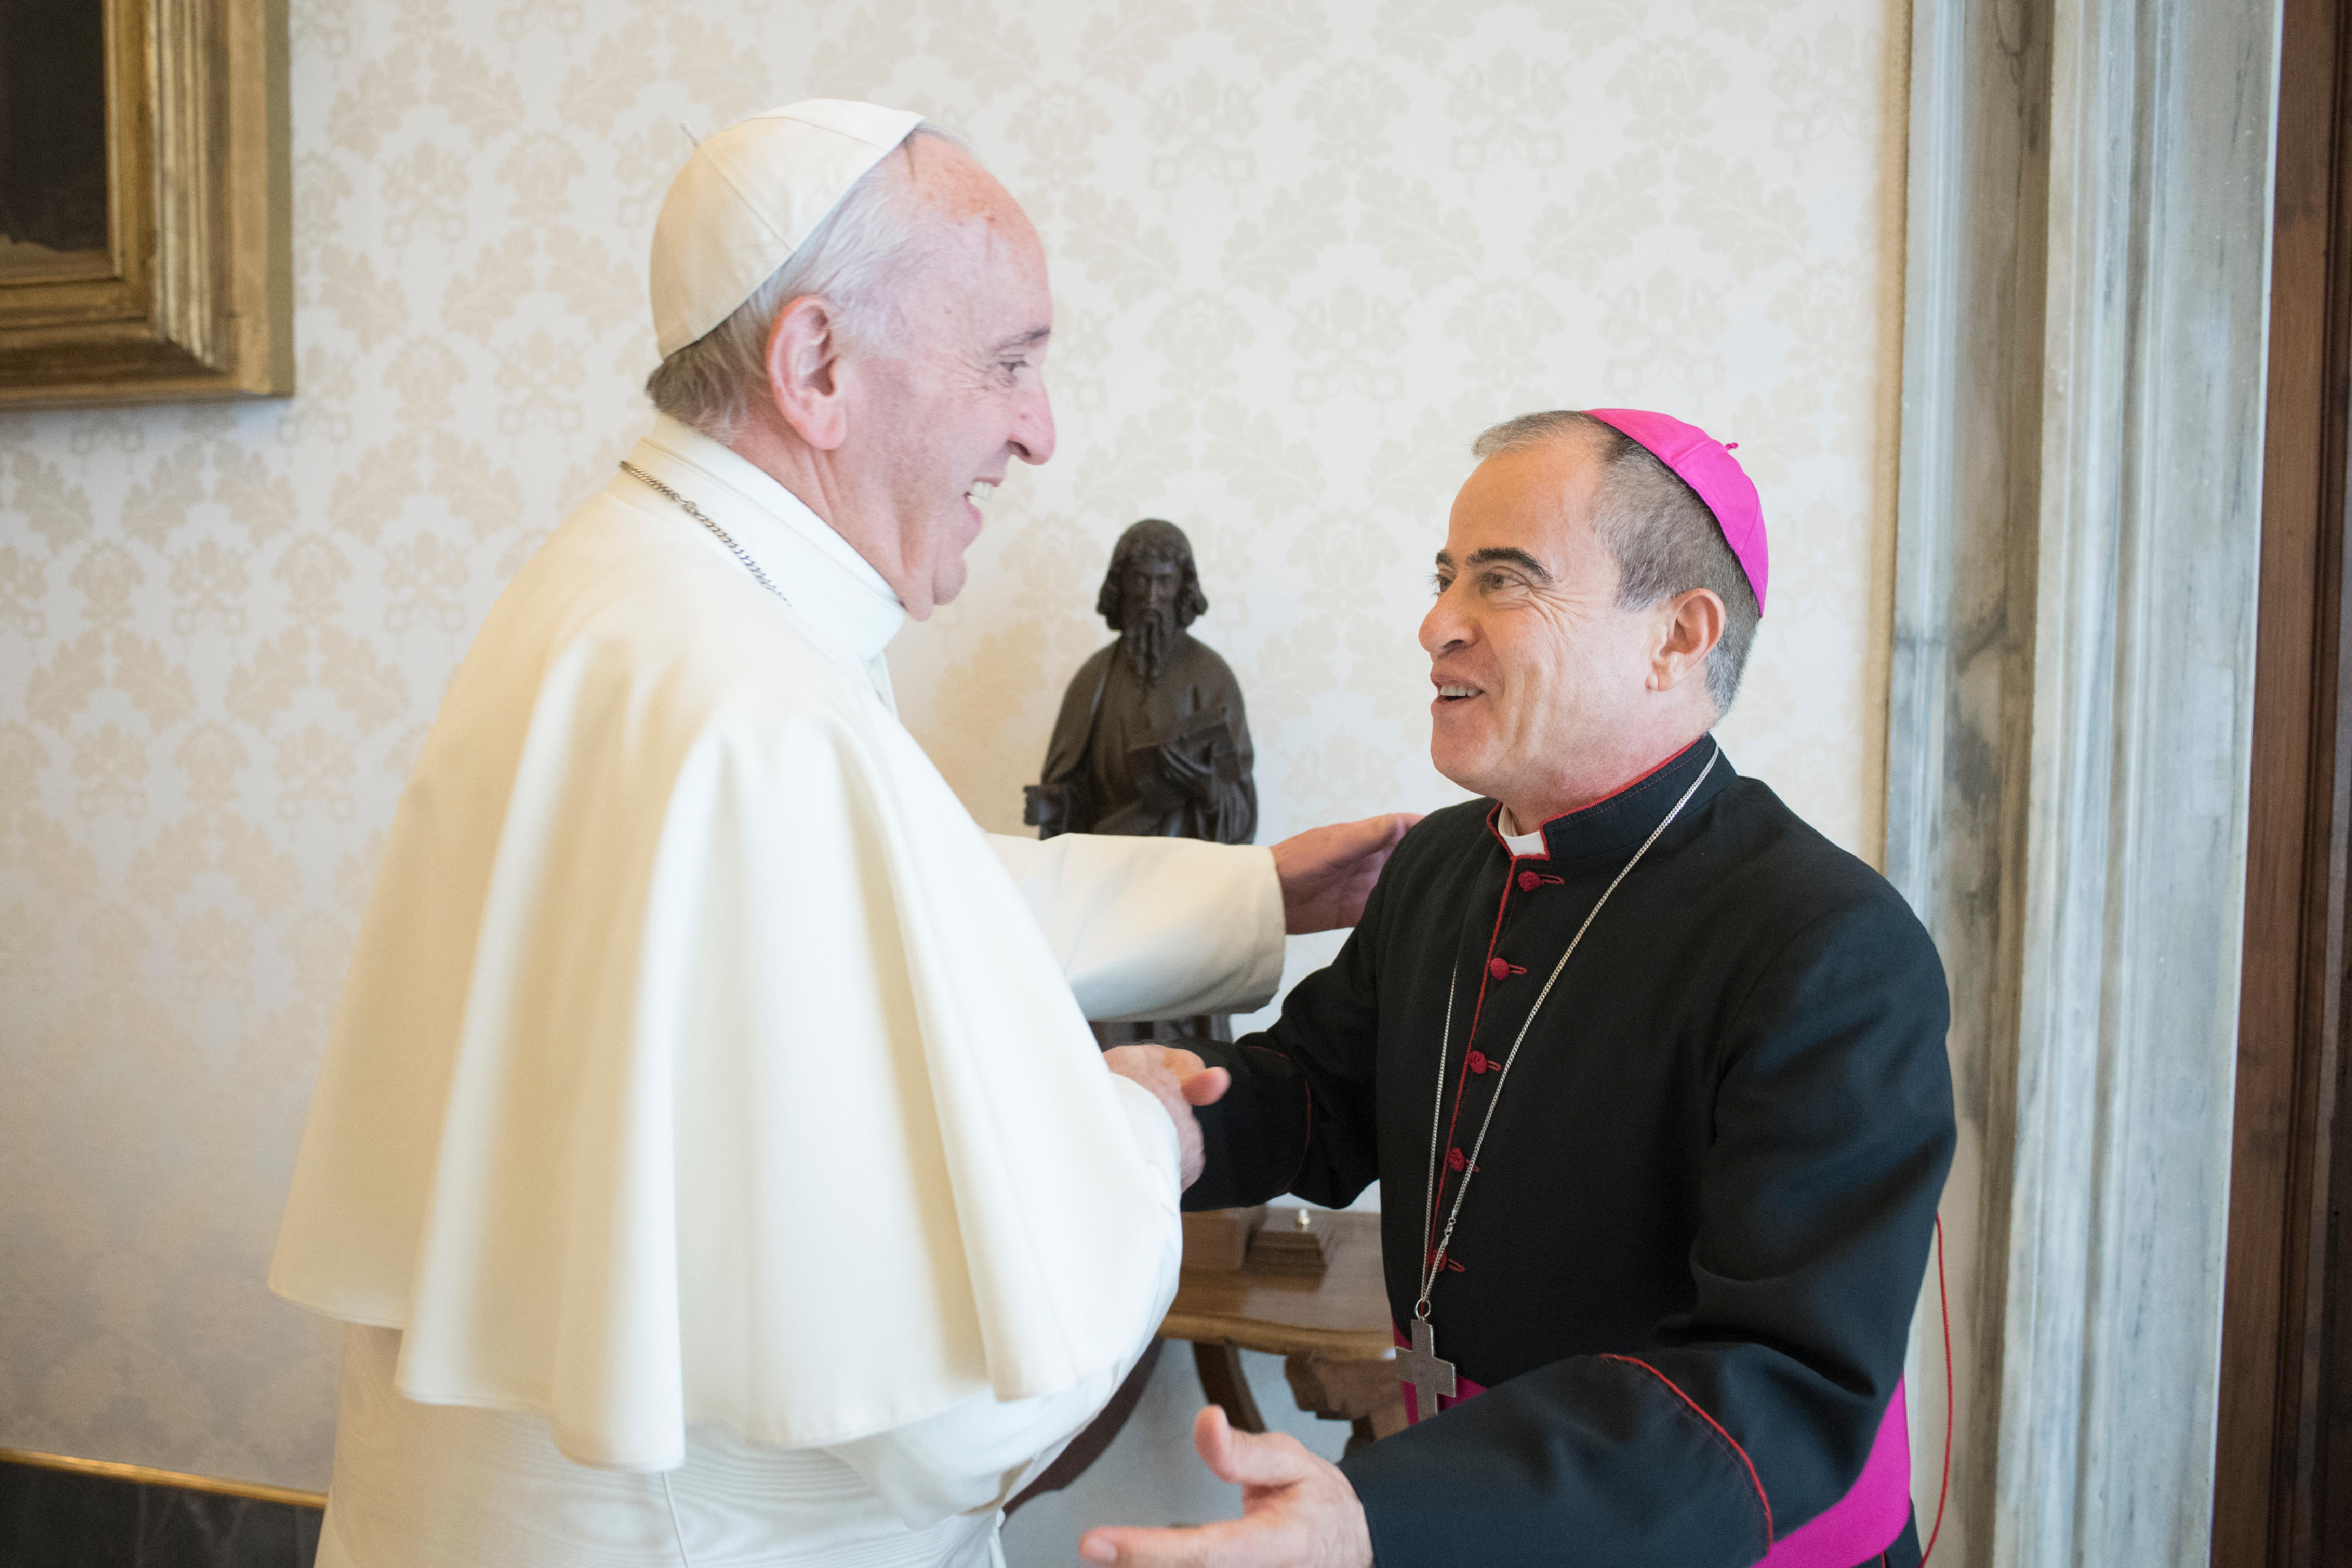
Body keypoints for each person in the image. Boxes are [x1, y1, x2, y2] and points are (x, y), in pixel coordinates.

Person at [268, 100, 1409, 1568]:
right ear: (815, 367)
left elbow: (889, 895)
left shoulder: (650, 592)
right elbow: (965, 1406)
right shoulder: (743, 695)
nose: (1040, 430)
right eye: (1010, 362)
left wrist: (1246, 892)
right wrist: (1141, 1133)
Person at [1091, 409, 1955, 1568]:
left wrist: (1381, 1516)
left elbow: (1780, 1382)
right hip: (1468, 1507)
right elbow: (1325, 1093)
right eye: (1446, 577)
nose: (1436, 624)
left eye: (1501, 580)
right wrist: (1177, 1120)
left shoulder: (1832, 947)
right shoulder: (1447, 862)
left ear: (1678, 636)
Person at [1030, 518, 1258, 1045]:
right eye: (1141, 581)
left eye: (1164, 581)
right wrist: (1052, 807)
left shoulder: (1210, 676)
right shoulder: (1095, 678)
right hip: (1105, 898)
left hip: (1186, 902)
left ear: (1183, 587)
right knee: (1105, 1048)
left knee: (1190, 1058)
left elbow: (1242, 811)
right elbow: (1065, 791)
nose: (1152, 597)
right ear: (1121, 585)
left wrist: (1206, 789)